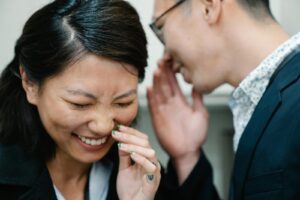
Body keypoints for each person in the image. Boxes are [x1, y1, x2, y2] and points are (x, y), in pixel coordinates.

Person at [0, 0, 207, 199]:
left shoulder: (142, 177)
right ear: (30, 84)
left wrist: (186, 156)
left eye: (123, 102)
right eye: (80, 104)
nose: (104, 126)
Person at [148, 0, 300, 199]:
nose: (165, 56)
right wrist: (187, 158)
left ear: (208, 7)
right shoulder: (258, 104)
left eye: (160, 28)